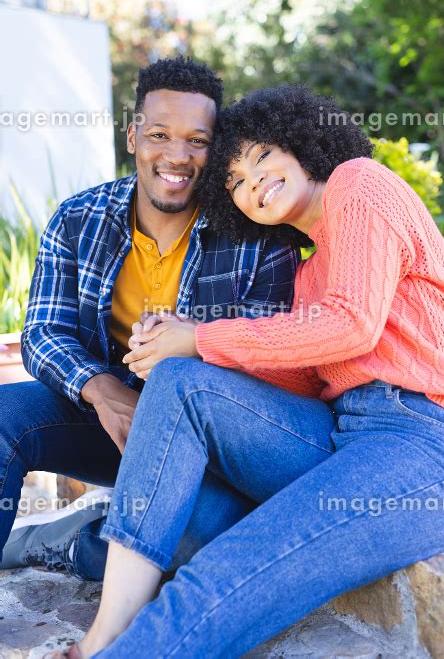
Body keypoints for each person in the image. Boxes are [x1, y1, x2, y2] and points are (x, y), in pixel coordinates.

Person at [48, 86, 444, 658]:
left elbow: (352, 325)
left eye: (262, 156)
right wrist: (181, 345)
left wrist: (202, 338)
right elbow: (304, 380)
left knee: (238, 560)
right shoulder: (307, 272)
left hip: (430, 443)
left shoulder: (359, 182)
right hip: (342, 435)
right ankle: (109, 624)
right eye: (236, 182)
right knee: (179, 392)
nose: (253, 182)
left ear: (299, 143)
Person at [0, 62, 302, 580]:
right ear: (133, 134)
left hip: (201, 448)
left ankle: (65, 541)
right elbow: (43, 332)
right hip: (110, 423)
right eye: (159, 134)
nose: (177, 156)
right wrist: (101, 390)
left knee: (186, 544)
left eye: (198, 140)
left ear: (217, 148)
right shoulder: (79, 219)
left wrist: (191, 345)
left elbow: (270, 362)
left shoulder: (260, 239)